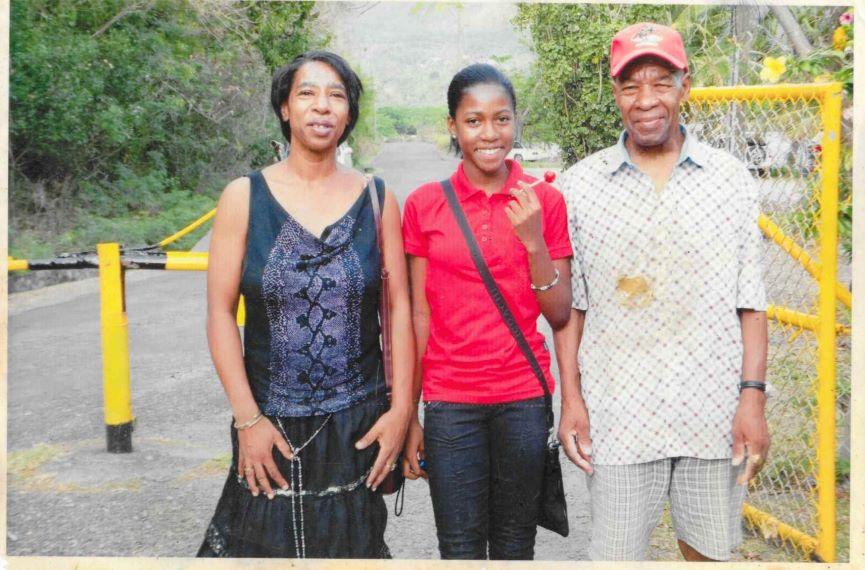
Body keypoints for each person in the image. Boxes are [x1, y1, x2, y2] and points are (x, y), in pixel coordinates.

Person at [556, 22, 770, 562]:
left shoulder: (731, 179)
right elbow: (572, 311)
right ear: (615, 94)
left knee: (709, 553)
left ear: (685, 85)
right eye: (630, 86)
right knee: (616, 555)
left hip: (712, 413)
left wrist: (752, 400)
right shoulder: (579, 186)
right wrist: (572, 400)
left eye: (660, 82)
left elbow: (752, 302)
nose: (646, 100)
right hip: (618, 416)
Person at [198, 50, 414, 558]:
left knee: (352, 548)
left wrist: (401, 411)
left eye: (336, 95)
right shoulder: (244, 197)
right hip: (269, 424)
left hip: (358, 426)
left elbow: (398, 309)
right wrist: (247, 419)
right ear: (285, 108)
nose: (323, 107)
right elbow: (218, 313)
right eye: (308, 93)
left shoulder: (377, 198)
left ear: (349, 113)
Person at [400, 63, 573, 560]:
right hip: (451, 403)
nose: (489, 133)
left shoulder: (545, 200)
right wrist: (410, 414)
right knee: (458, 548)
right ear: (452, 126)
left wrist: (535, 240)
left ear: (516, 122)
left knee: (516, 546)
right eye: (473, 121)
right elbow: (419, 318)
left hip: (522, 398)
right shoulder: (425, 205)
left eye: (501, 119)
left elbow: (559, 313)